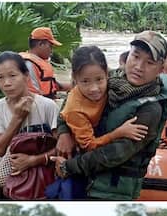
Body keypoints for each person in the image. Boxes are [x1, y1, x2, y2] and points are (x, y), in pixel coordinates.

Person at [52, 30, 167, 200]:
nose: (139, 67)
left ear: (161, 68)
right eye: (135, 56)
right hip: (86, 180)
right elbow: (72, 100)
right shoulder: (108, 79)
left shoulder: (150, 109)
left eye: (149, 62)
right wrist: (63, 132)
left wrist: (69, 167)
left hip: (110, 191)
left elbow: (114, 154)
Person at [55, 45, 149, 198]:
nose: (94, 88)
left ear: (107, 73)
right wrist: (119, 132)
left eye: (99, 79)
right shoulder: (74, 108)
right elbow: (89, 145)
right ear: (75, 78)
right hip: (85, 156)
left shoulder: (117, 82)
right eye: (85, 81)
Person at [0, 51, 59, 196]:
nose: (7, 83)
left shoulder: (47, 106)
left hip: (42, 167)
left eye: (13, 76)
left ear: (26, 76)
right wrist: (17, 118)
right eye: (0, 78)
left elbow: (62, 147)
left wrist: (33, 160)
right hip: (9, 169)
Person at [20, 27, 72, 99]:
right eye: (50, 46)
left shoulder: (37, 62)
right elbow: (32, 94)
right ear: (41, 44)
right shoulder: (29, 64)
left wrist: (75, 85)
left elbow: (53, 85)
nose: (51, 51)